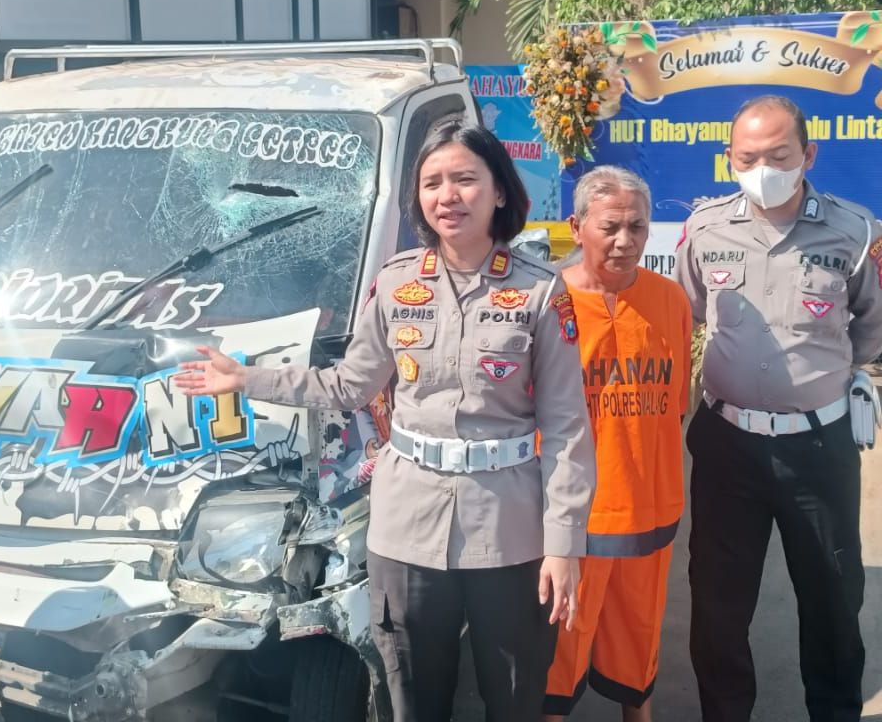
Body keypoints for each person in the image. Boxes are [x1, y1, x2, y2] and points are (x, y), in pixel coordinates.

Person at [176, 121, 596, 721]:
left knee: (514, 693)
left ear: (499, 191)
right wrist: (246, 378)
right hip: (407, 526)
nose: (447, 195)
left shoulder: (540, 292)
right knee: (413, 696)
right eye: (432, 183)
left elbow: (567, 429)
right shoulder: (399, 284)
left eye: (465, 179)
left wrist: (564, 546)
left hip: (509, 525)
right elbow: (348, 385)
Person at [676, 95, 882, 721]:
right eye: (747, 158)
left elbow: (870, 328)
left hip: (819, 449)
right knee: (717, 604)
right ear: (729, 160)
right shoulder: (706, 229)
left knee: (832, 598)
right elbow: (681, 313)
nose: (762, 168)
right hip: (726, 443)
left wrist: (850, 381)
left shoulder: (854, 231)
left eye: (778, 155)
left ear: (808, 155)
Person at [543, 167, 692, 721]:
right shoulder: (546, 305)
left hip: (650, 508)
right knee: (559, 651)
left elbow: (674, 405)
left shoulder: (671, 301)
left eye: (638, 226)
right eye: (610, 227)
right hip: (571, 519)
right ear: (576, 226)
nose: (625, 241)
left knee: (639, 641)